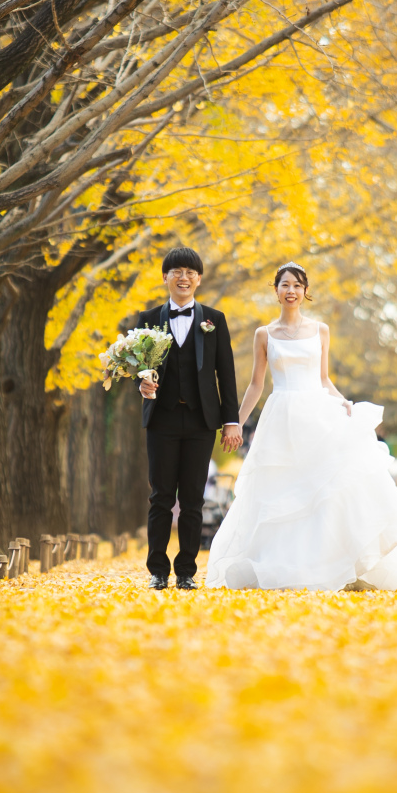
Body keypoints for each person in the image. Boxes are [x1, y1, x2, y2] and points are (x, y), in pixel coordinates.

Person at [206, 262, 397, 591]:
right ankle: (287, 568)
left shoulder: (320, 329)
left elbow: (323, 379)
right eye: (284, 285)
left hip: (316, 414)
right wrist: (234, 423)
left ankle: (338, 567)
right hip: (280, 419)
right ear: (275, 290)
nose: (290, 290)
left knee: (326, 491)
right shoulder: (264, 334)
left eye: (297, 285)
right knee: (284, 491)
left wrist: (344, 403)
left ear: (306, 292)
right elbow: (255, 385)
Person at [138, 247, 241, 590]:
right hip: (161, 421)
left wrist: (231, 420)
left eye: (190, 272)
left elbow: (226, 374)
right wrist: (142, 383)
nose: (184, 278)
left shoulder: (214, 319)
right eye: (176, 271)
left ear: (199, 279)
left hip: (201, 421)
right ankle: (157, 571)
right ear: (165, 277)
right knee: (161, 498)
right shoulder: (148, 319)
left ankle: (186, 572)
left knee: (194, 499)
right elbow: (138, 368)